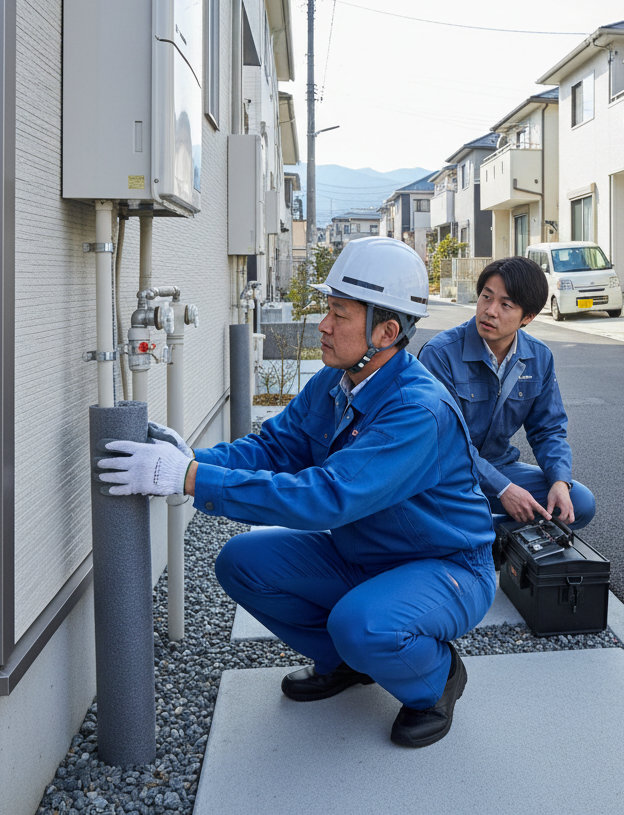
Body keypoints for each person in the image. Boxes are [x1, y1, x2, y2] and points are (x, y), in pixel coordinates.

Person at [97, 237, 496, 749]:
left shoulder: (416, 412)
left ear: (387, 331)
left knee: (363, 623)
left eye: (339, 313)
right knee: (241, 562)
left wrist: (190, 479)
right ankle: (348, 664)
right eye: (327, 310)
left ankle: (435, 680)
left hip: (445, 567)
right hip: (364, 553)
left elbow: (325, 497)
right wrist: (194, 459)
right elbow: (275, 445)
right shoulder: (339, 380)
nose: (324, 325)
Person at [418, 256, 596, 535]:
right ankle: (475, 534)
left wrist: (560, 481)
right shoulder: (440, 354)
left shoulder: (538, 357)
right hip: (443, 474)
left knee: (579, 503)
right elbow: (445, 442)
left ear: (528, 317)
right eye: (486, 297)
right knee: (430, 511)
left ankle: (487, 535)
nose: (490, 311)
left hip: (499, 466)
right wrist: (503, 489)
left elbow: (548, 430)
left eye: (505, 304)